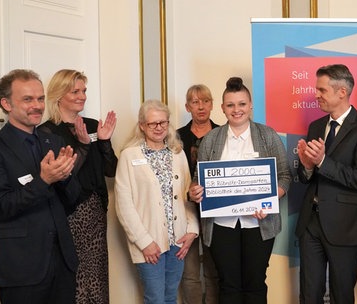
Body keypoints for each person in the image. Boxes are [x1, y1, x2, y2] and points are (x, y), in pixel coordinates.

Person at [187, 77, 291, 304]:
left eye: (242, 104)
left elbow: (285, 177)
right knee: (228, 285)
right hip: (221, 225)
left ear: (251, 105)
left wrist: (269, 201)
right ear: (223, 108)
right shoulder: (211, 139)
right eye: (231, 105)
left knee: (255, 284)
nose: (237, 110)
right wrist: (195, 191)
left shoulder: (268, 135)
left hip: (259, 224)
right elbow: (198, 180)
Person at [0, 69, 80, 304]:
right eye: (28, 99)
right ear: (6, 103)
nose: (37, 106)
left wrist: (65, 177)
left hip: (63, 263)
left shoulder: (53, 140)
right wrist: (44, 181)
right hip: (21, 268)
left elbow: (71, 202)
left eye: (40, 98)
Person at [295, 64, 357, 304]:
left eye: (322, 90)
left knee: (341, 295)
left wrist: (322, 160)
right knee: (309, 295)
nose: (317, 94)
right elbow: (305, 178)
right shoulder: (315, 126)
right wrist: (308, 166)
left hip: (344, 226)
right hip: (310, 223)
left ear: (342, 92)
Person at [38, 69, 117, 304]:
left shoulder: (93, 125)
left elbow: (111, 170)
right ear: (59, 95)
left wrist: (103, 141)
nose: (82, 96)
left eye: (84, 90)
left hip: (96, 210)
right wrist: (83, 145)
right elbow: (64, 174)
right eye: (76, 91)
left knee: (97, 272)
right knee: (74, 274)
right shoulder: (48, 131)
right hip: (68, 212)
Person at [114, 99, 199, 304]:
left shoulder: (177, 154)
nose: (159, 128)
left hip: (177, 241)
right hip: (149, 243)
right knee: (155, 299)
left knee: (170, 297)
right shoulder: (129, 156)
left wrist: (192, 230)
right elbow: (124, 205)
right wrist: (144, 242)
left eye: (163, 122)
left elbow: (187, 194)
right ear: (142, 125)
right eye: (153, 123)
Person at [176, 84, 219, 304]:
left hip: (217, 212)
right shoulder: (176, 137)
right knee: (190, 272)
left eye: (205, 101)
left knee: (214, 270)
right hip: (185, 210)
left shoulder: (224, 132)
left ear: (212, 105)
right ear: (187, 106)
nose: (200, 107)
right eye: (195, 102)